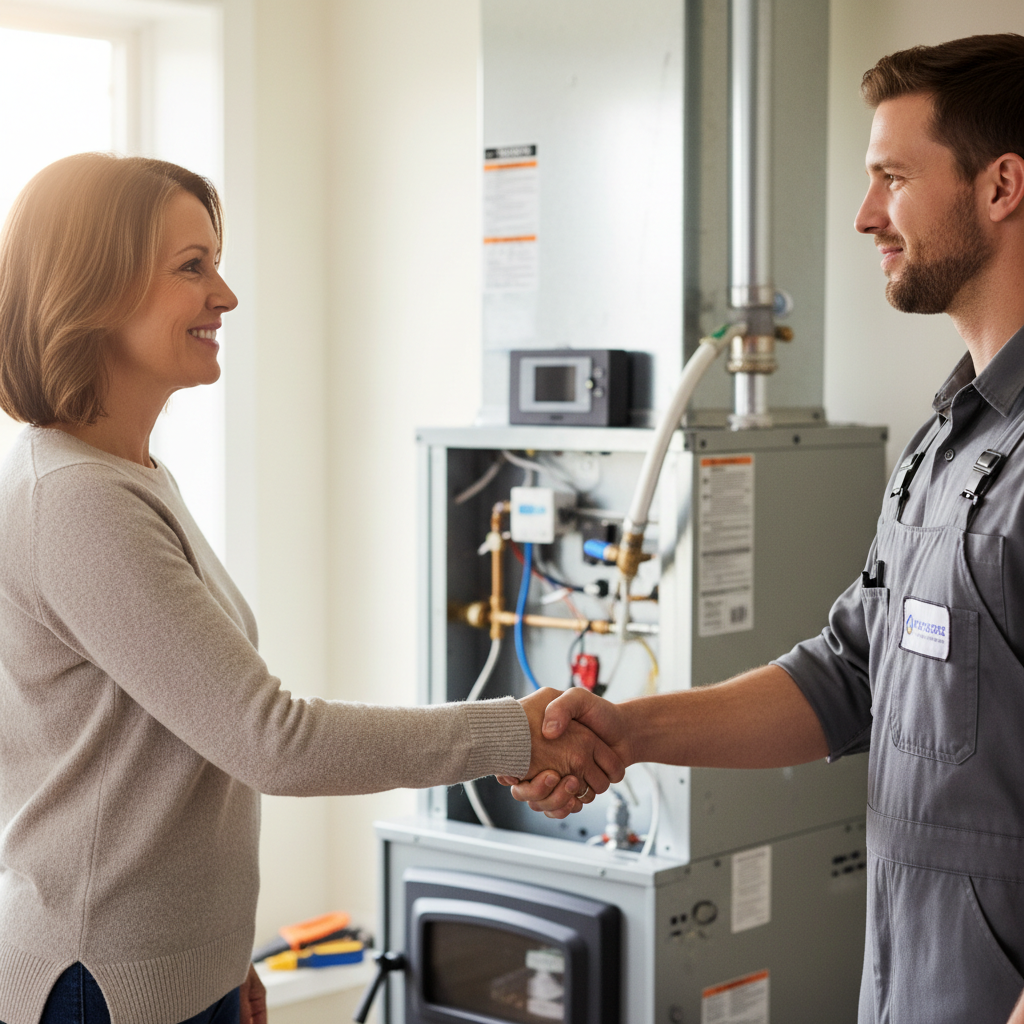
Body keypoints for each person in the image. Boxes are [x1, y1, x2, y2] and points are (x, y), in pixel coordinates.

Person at [0, 153, 621, 1024]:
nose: (226, 295)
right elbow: (273, 741)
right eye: (192, 267)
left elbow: (171, 757)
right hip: (100, 981)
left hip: (166, 972)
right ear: (91, 290)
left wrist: (222, 957)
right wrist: (508, 735)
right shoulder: (73, 499)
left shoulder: (126, 475)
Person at [506, 33, 1024, 1024]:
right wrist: (629, 731)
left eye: (891, 178)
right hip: (908, 984)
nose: (865, 214)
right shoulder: (943, 443)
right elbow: (846, 675)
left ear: (1000, 186)